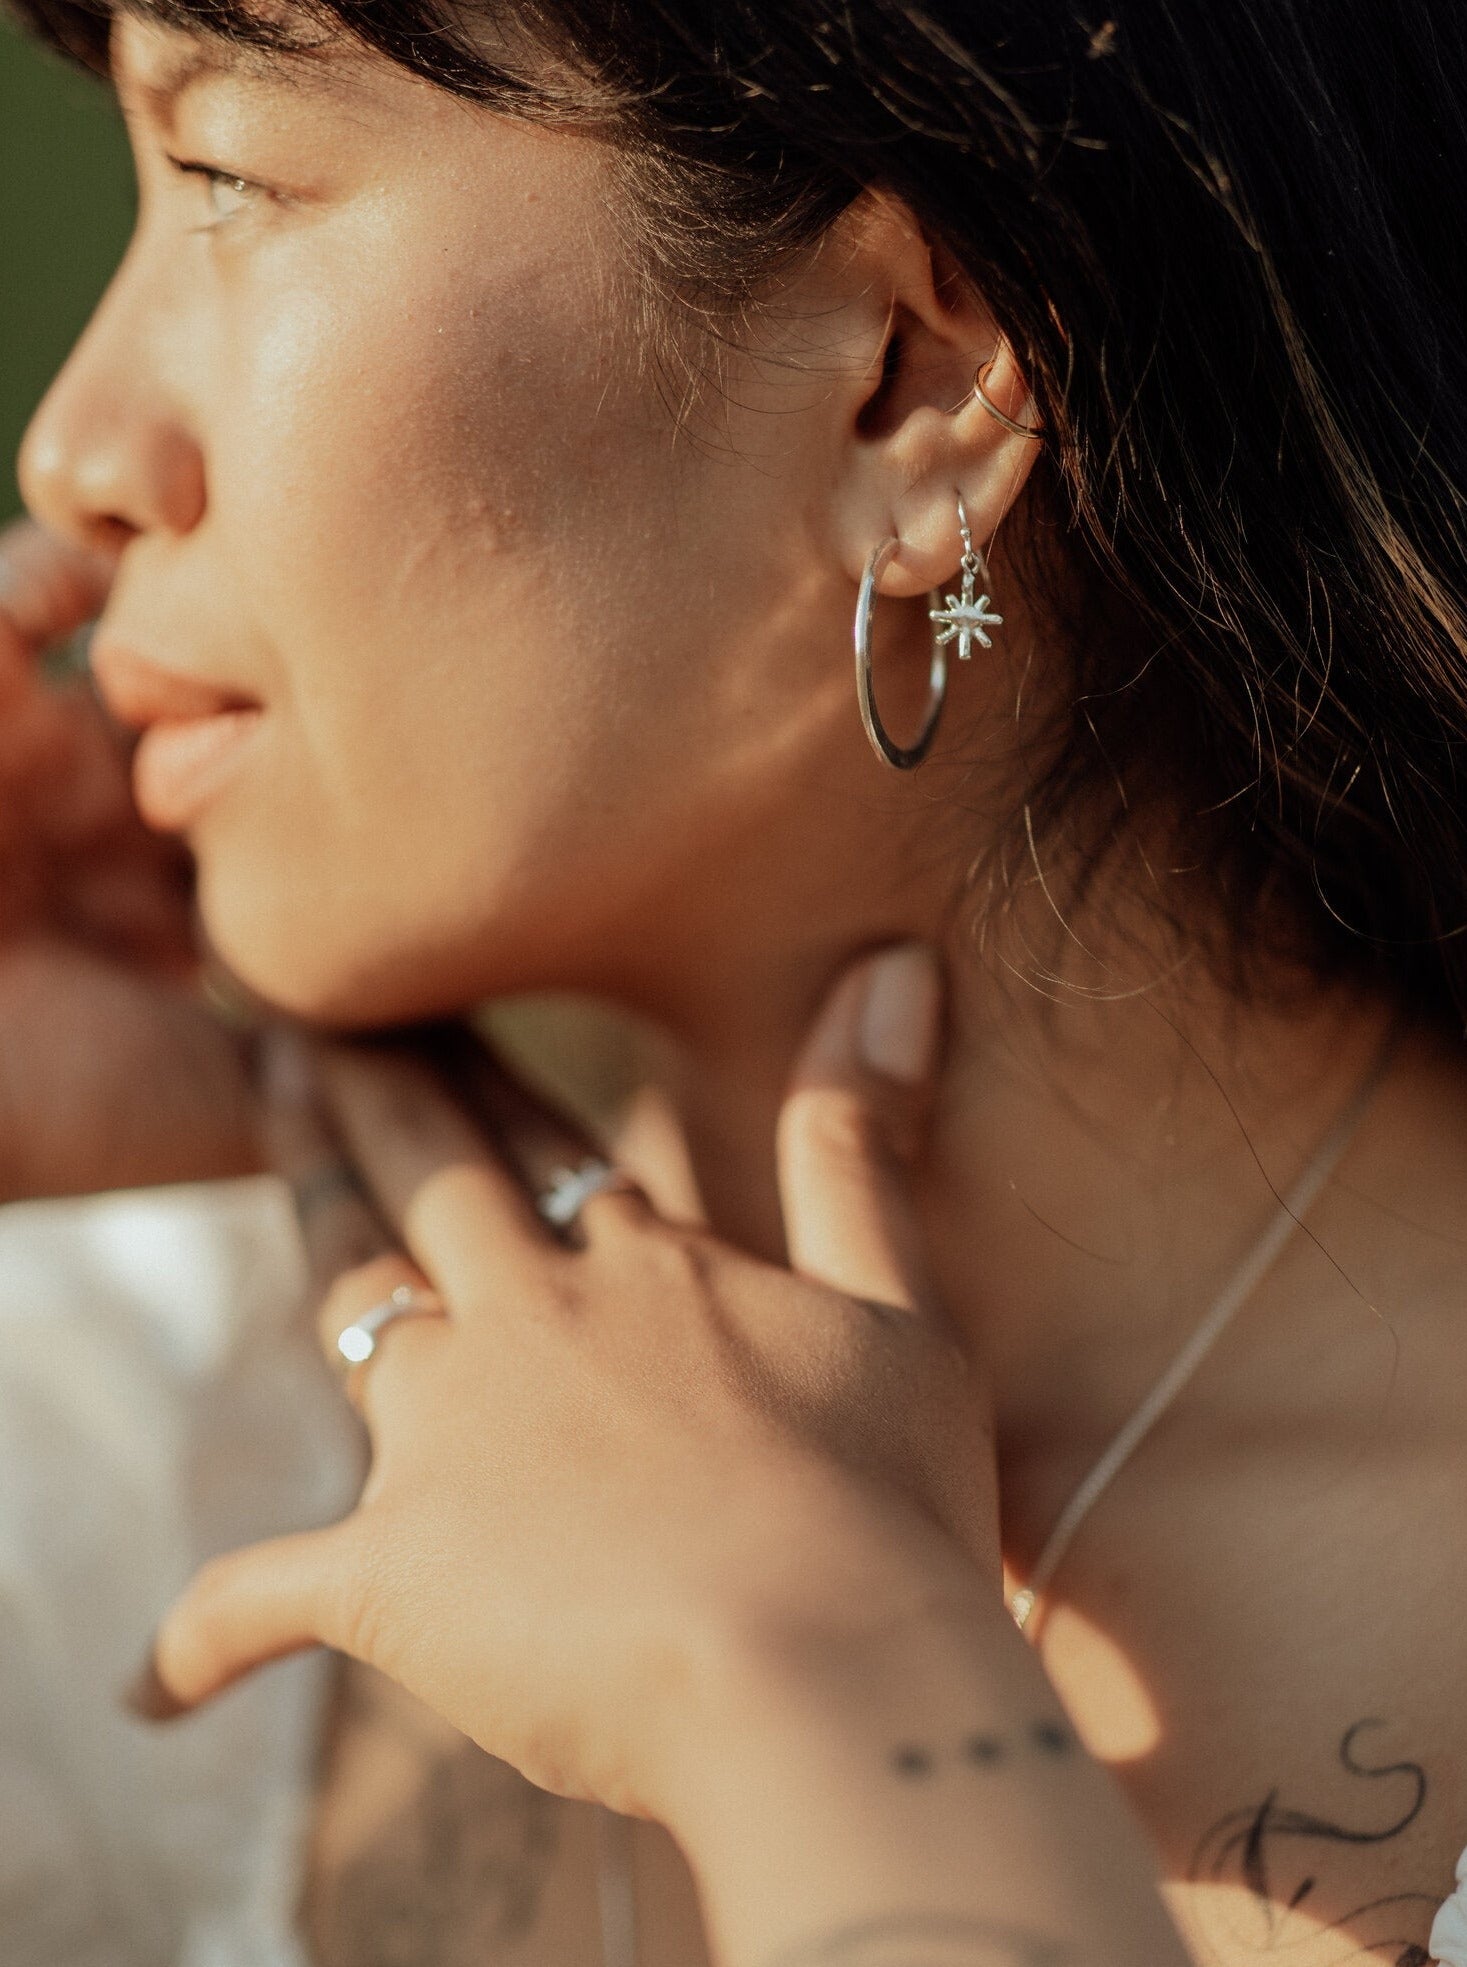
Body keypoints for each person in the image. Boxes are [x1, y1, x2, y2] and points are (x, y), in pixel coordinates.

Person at [5, 0, 1467, 1958]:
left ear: (904, 386)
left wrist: (823, 1681)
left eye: (227, 175)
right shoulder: (132, 1443)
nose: (73, 450)